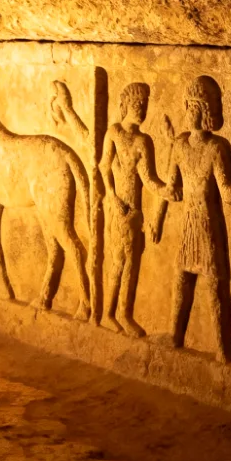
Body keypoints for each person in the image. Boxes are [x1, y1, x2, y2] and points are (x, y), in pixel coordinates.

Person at [153, 75, 231, 363]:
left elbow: (227, 194)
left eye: (197, 107)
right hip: (189, 222)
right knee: (182, 279)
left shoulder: (217, 148)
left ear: (208, 111)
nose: (191, 113)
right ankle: (175, 335)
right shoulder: (180, 145)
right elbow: (172, 188)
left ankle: (223, 349)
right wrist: (159, 212)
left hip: (209, 224)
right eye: (188, 106)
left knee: (215, 285)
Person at [97, 82, 156, 337]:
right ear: (125, 106)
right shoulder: (114, 133)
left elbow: (149, 178)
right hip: (119, 208)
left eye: (144, 105)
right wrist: (111, 197)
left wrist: (167, 191)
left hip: (135, 211)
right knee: (119, 261)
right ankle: (112, 313)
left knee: (132, 262)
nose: (141, 109)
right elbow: (103, 167)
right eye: (136, 104)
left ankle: (121, 312)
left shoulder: (144, 141)